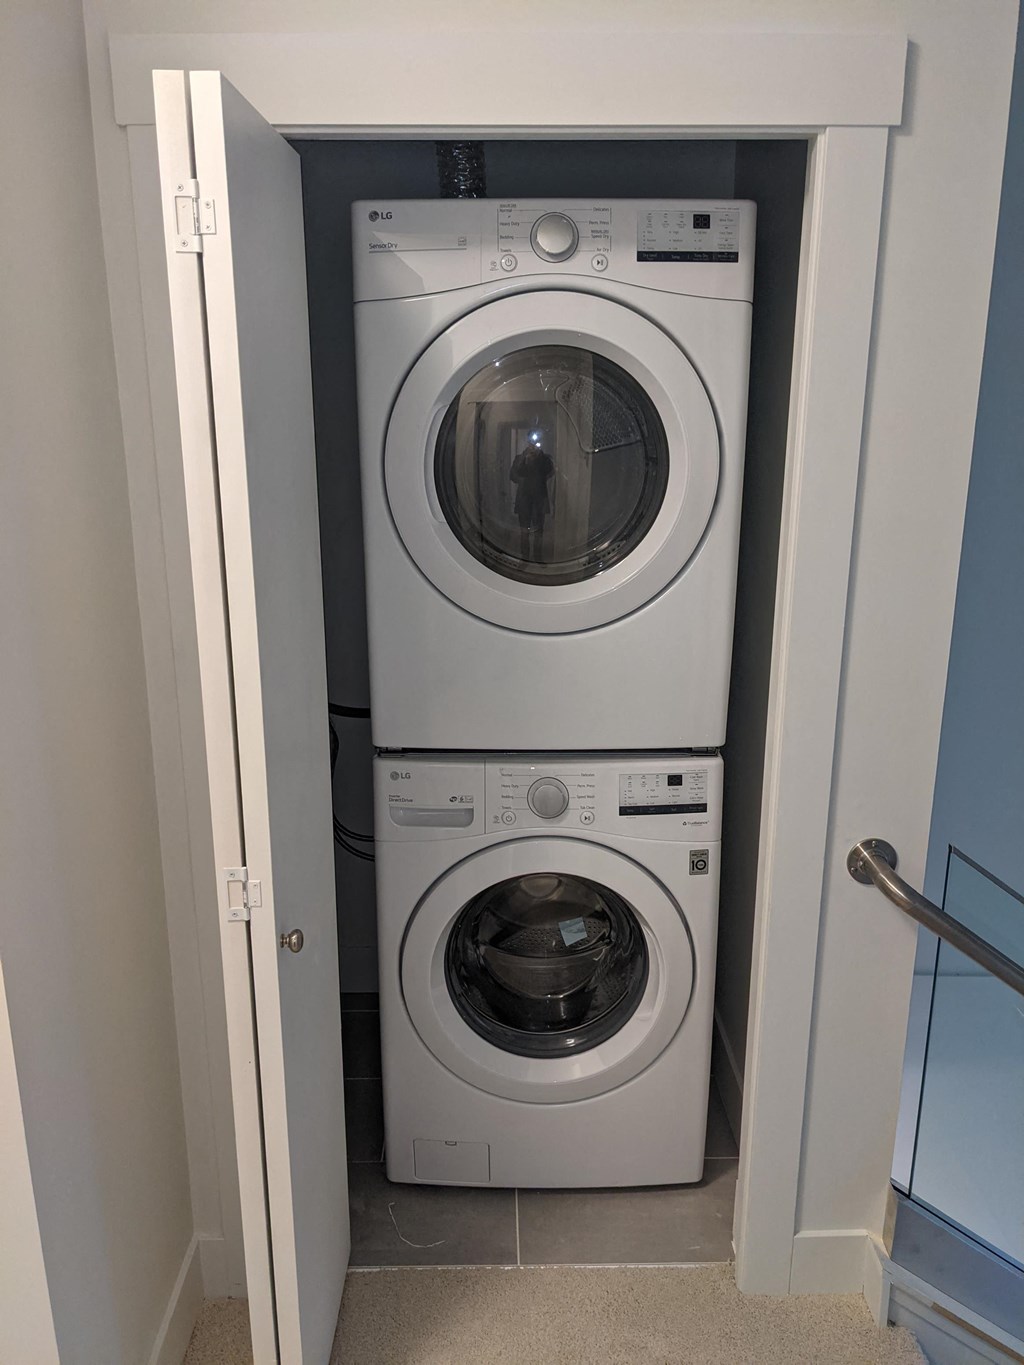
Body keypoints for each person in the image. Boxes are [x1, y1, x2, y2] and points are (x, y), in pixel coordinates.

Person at [510, 441, 554, 561]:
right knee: (524, 530)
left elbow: (550, 471)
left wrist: (540, 456)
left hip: (539, 499)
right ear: (527, 444)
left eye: (535, 445)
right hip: (524, 498)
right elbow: (513, 476)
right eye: (530, 444)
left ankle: (537, 557)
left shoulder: (544, 458)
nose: (533, 447)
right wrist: (524, 457)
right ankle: (524, 557)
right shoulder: (520, 457)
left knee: (539, 530)